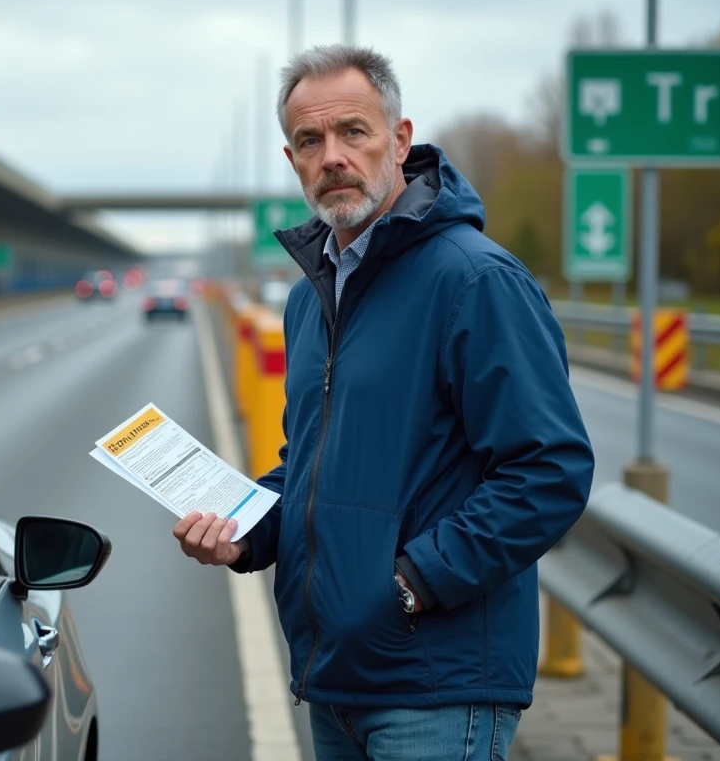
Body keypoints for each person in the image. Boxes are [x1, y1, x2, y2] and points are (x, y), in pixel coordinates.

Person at [173, 45, 594, 760]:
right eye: (311, 140)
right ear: (292, 158)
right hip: (335, 679)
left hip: (436, 684)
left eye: (353, 132)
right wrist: (243, 531)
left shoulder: (474, 281)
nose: (332, 155)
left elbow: (548, 471)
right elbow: (313, 469)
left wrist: (410, 584)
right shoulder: (313, 300)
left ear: (399, 141)